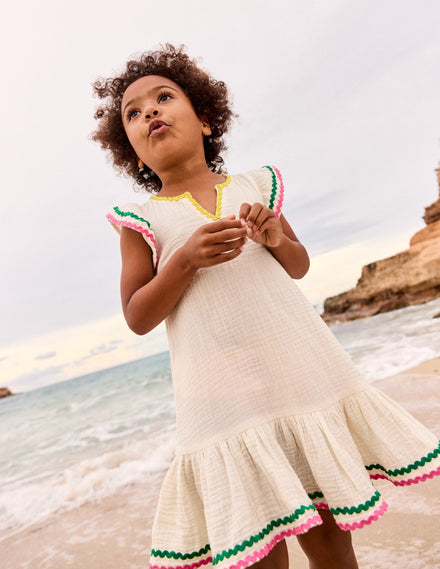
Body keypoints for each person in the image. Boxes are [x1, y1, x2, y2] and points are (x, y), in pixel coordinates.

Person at [92, 45, 440, 569]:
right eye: (134, 114)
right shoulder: (140, 220)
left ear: (206, 119)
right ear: (134, 153)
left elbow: (297, 266)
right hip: (224, 409)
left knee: (330, 541)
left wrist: (276, 236)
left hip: (298, 384)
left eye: (164, 98)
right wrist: (183, 262)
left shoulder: (256, 186)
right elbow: (137, 315)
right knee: (258, 550)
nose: (150, 113)